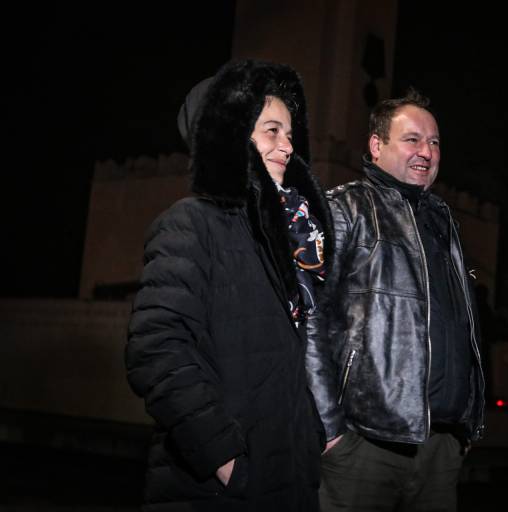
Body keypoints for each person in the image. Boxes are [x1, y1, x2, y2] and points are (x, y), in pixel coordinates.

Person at [125, 59, 333, 511]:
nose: (287, 146)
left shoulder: (282, 239)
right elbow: (157, 348)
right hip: (220, 487)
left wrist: (311, 431)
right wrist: (222, 455)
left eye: (290, 134)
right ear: (230, 134)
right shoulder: (191, 223)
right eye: (271, 131)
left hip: (289, 474)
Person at [306, 89, 485, 511]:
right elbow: (309, 316)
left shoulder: (442, 221)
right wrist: (329, 429)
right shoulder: (344, 208)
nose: (426, 151)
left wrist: (465, 427)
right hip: (365, 447)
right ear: (377, 145)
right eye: (412, 139)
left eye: (434, 142)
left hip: (441, 448)